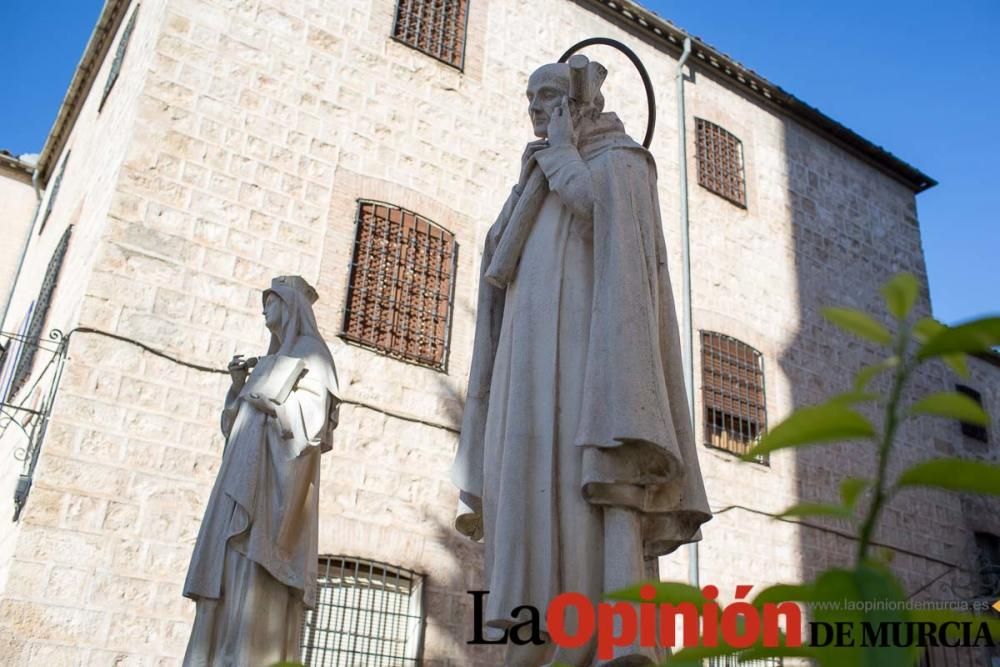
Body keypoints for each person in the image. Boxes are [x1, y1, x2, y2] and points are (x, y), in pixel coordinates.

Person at [451, 58, 712, 666]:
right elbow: (497, 262)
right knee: (525, 490)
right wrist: (529, 183)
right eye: (530, 99)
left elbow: (605, 221)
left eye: (548, 97)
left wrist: (563, 158)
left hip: (587, 366)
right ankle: (530, 641)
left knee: (579, 492)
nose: (536, 110)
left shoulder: (622, 162)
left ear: (580, 101)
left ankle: (593, 639)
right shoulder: (538, 175)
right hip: (526, 365)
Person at [182, 275, 340, 666]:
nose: (262, 310)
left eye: (269, 302)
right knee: (229, 563)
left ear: (288, 305)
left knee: (257, 566)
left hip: (273, 488)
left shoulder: (311, 353)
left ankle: (246, 654)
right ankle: (219, 653)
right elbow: (235, 426)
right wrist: (239, 387)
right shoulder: (270, 359)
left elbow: (315, 424)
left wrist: (275, 406)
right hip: (241, 481)